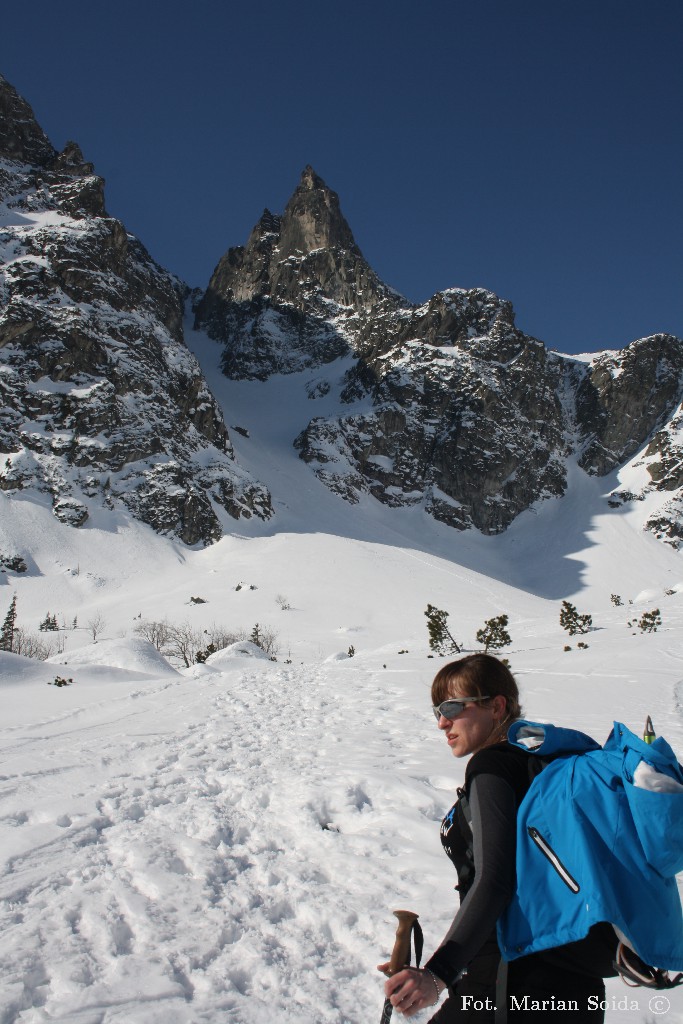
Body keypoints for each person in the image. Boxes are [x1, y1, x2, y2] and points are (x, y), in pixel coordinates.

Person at [379, 654, 614, 1022]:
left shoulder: (493, 765)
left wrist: (438, 974)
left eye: (453, 707)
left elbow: (493, 881)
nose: (442, 722)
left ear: (496, 706)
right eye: (437, 711)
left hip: (509, 983)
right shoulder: (541, 764)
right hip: (573, 981)